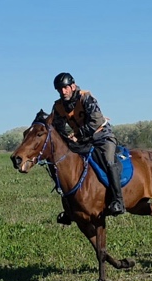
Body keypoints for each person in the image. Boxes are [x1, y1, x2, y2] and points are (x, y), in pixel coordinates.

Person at [51, 72, 125, 217]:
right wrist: (65, 139)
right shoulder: (58, 106)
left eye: (65, 88)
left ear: (72, 86)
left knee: (109, 161)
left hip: (102, 136)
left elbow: (96, 122)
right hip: (83, 141)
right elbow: (58, 128)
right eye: (59, 89)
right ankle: (69, 209)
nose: (63, 91)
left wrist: (77, 135)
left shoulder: (86, 98)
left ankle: (118, 201)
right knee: (65, 166)